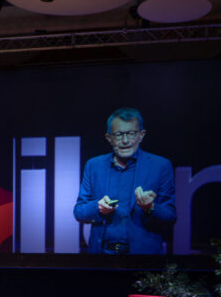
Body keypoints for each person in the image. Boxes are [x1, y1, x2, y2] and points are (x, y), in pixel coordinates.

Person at [74, 107, 176, 254]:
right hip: (100, 258)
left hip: (144, 260)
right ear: (109, 138)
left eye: (131, 134)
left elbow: (170, 217)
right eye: (119, 135)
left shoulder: (160, 166)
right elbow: (79, 211)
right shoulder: (93, 166)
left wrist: (150, 208)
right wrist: (98, 208)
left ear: (141, 135)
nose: (125, 140)